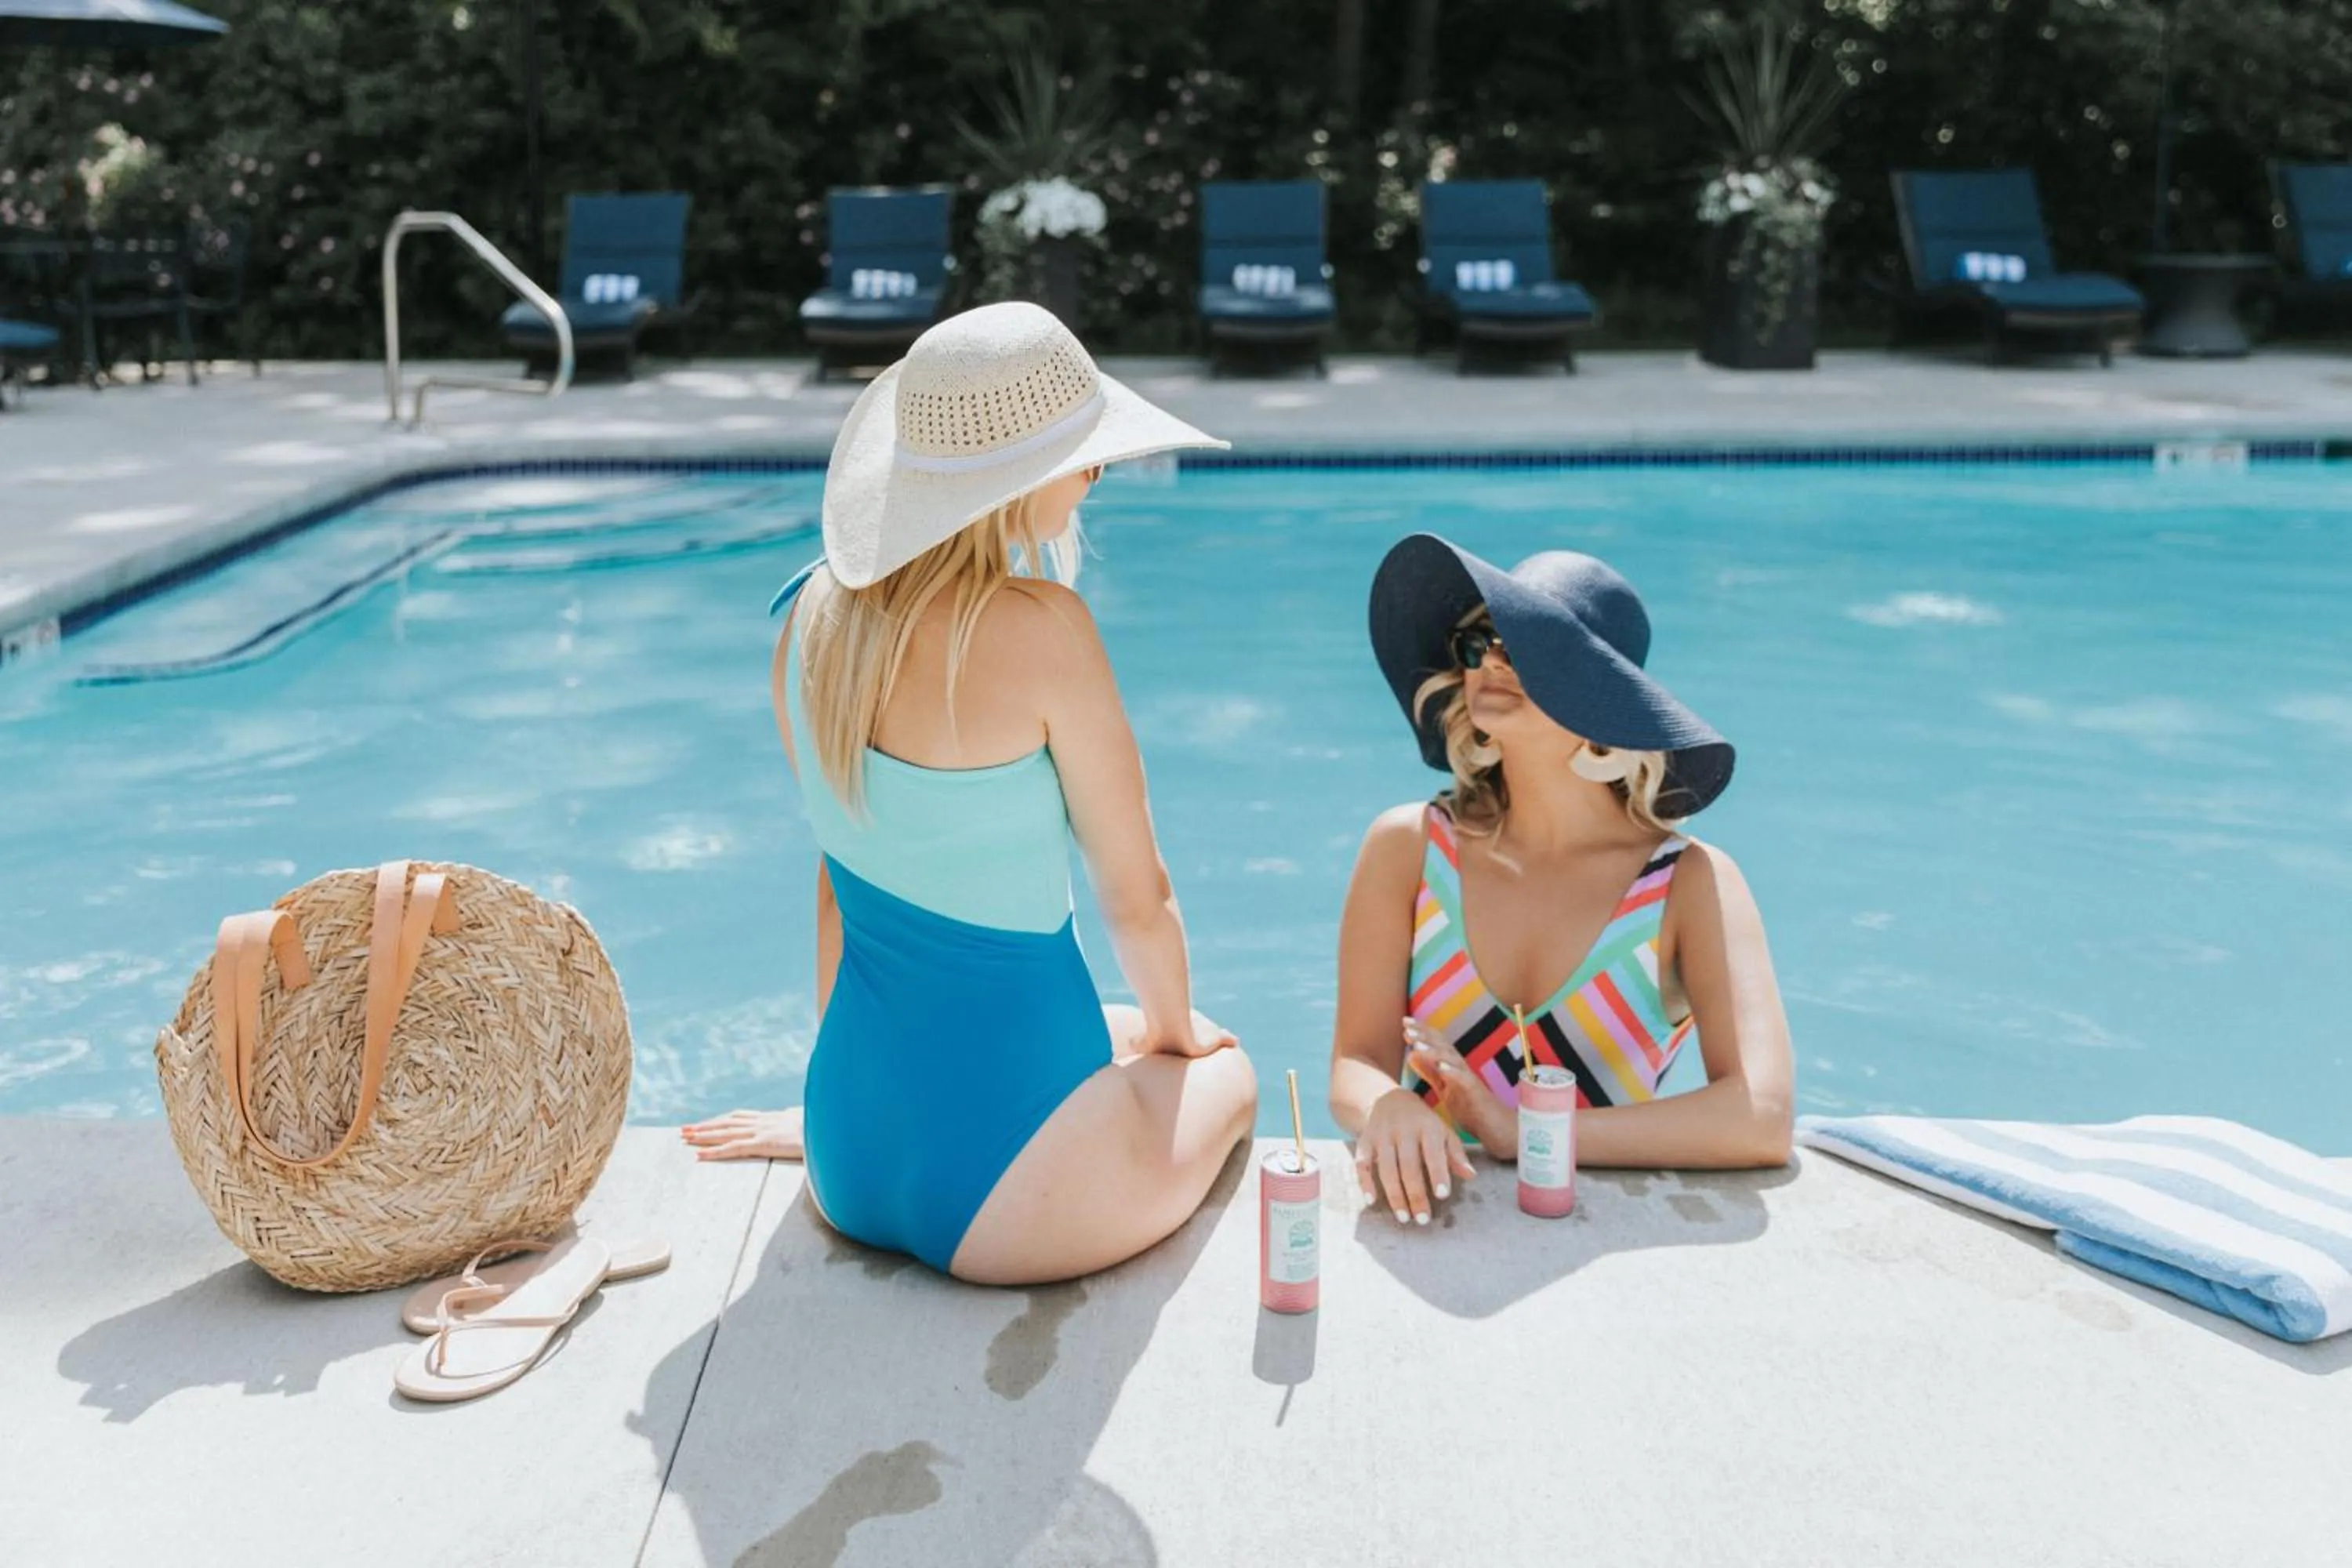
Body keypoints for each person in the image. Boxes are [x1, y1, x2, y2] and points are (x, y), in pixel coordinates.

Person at [683, 303, 1256, 1284]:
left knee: (1101, 1021)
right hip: (1021, 1197)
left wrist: (833, 1105)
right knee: (1221, 1063)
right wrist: (1178, 1039)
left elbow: (836, 890)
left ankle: (877, 1108)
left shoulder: (808, 624)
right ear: (1014, 482)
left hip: (847, 1153)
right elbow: (1137, 897)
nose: (1096, 475)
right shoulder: (1044, 629)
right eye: (1084, 456)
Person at [1329, 535, 1792, 1225]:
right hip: (1430, 1228)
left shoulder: (1689, 885)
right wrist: (1387, 1104)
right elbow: (1356, 1062)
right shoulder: (1409, 847)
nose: (1492, 661)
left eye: (1523, 647)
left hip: (1601, 1234)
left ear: (1603, 696)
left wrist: (1523, 1133)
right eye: (1479, 643)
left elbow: (1761, 1116)